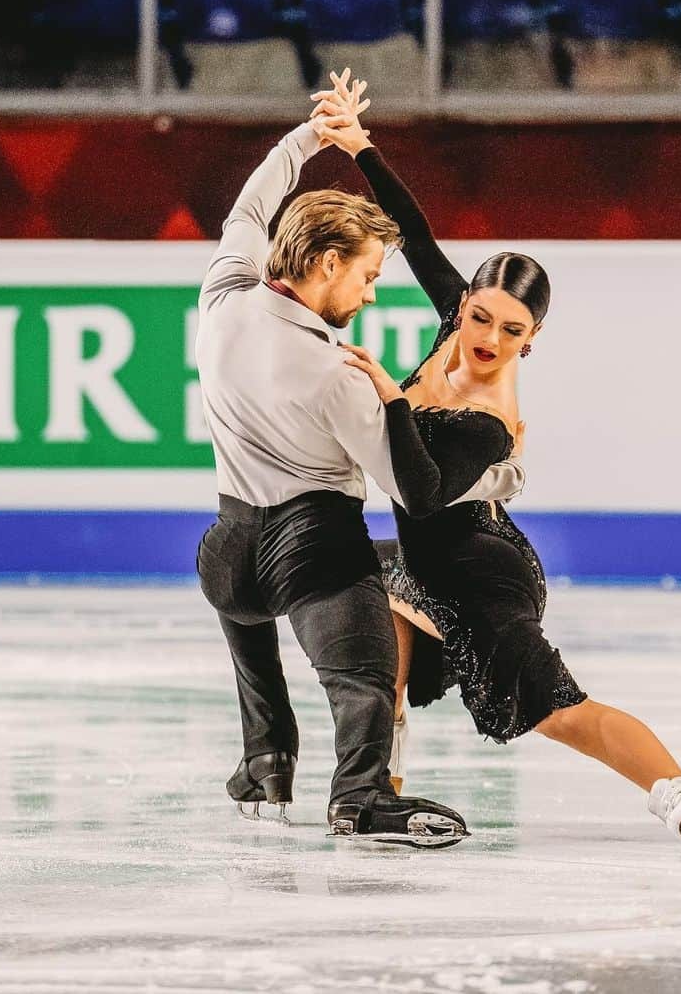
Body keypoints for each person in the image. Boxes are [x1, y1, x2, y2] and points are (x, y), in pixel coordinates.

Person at [310, 81, 681, 845]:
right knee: (376, 649)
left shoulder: (490, 421)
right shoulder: (459, 325)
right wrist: (360, 148)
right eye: (479, 315)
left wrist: (391, 399)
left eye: (509, 330)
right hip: (423, 564)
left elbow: (421, 496)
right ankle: (376, 792)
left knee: (560, 713)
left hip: (480, 575)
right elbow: (416, 237)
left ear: (532, 340)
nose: (486, 337)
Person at [194, 72, 527, 847]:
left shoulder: (223, 294)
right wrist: (496, 462)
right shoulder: (337, 373)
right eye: (369, 275)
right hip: (308, 552)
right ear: (325, 263)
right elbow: (416, 489)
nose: (373, 294)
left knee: (257, 635)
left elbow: (251, 204)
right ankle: (362, 797)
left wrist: (312, 136)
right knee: (365, 677)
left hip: (226, 555)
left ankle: (265, 761)